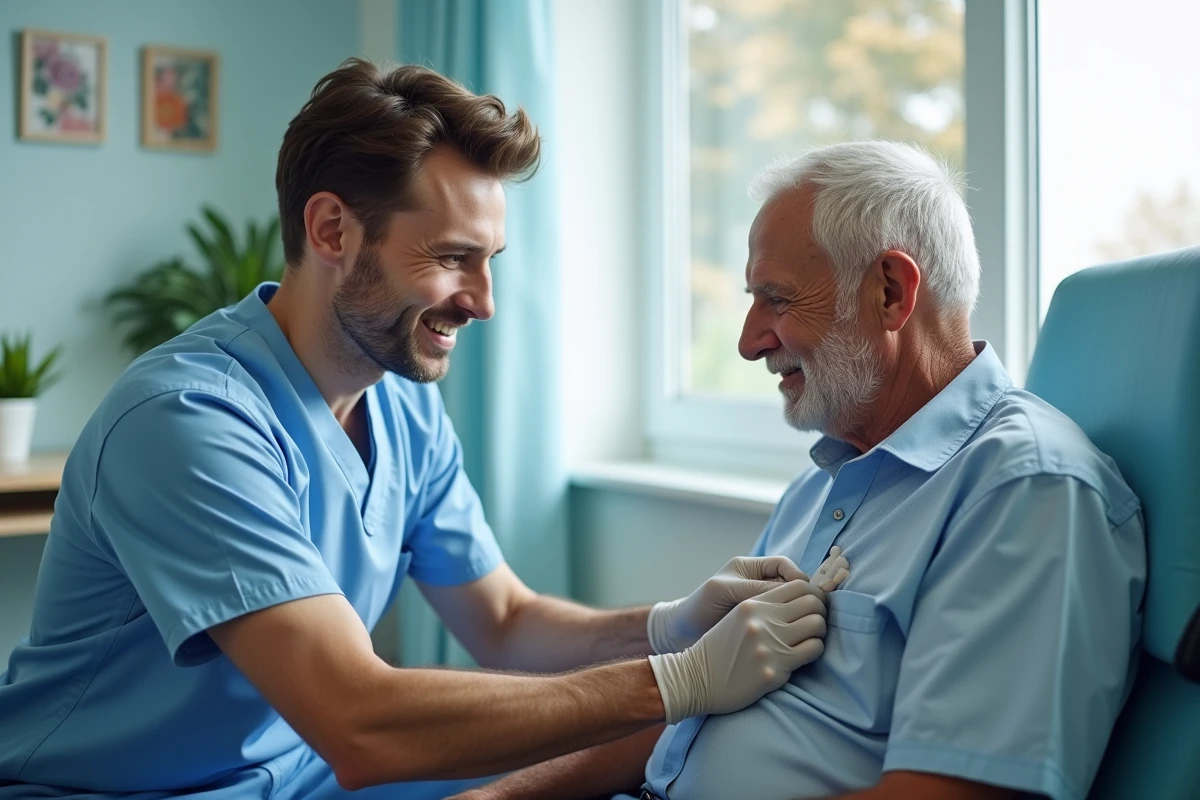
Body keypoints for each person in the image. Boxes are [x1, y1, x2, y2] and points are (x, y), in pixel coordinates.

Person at [0, 60, 841, 800]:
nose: (482, 302)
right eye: (450, 258)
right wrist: (682, 680)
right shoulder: (187, 420)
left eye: (489, 262)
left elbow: (504, 622)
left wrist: (670, 623)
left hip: (302, 778)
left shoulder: (401, 400)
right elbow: (359, 722)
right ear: (332, 230)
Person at [454, 141, 1148, 800]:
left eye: (776, 299)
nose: (750, 341)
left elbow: (951, 792)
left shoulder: (1025, 490)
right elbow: (681, 717)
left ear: (890, 293)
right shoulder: (827, 482)